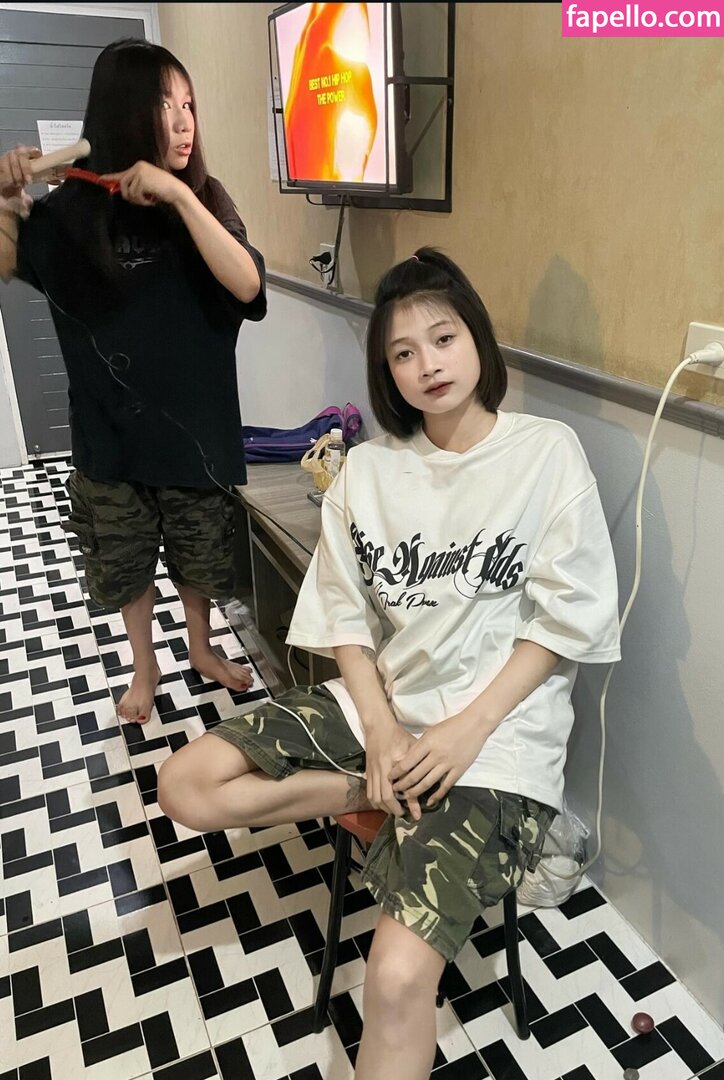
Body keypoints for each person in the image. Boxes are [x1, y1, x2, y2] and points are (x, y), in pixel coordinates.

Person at [156, 248, 621, 1079]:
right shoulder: (368, 470)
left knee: (398, 979)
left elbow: (569, 619)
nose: (428, 364)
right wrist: (379, 732)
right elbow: (345, 616)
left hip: (497, 739)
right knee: (184, 785)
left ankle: (404, 790)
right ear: (386, 372)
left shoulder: (547, 454)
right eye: (403, 352)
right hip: (387, 707)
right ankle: (382, 790)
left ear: (477, 339)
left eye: (444, 339)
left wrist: (463, 732)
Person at [0, 39, 266, 724]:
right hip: (109, 437)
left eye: (189, 106)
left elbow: (247, 284)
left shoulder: (204, 198)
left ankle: (201, 648)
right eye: (164, 105)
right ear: (124, 111)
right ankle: (144, 669)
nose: (184, 123)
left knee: (198, 557)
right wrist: (4, 199)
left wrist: (178, 194)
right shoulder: (69, 214)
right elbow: (6, 260)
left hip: (193, 433)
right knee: (125, 562)